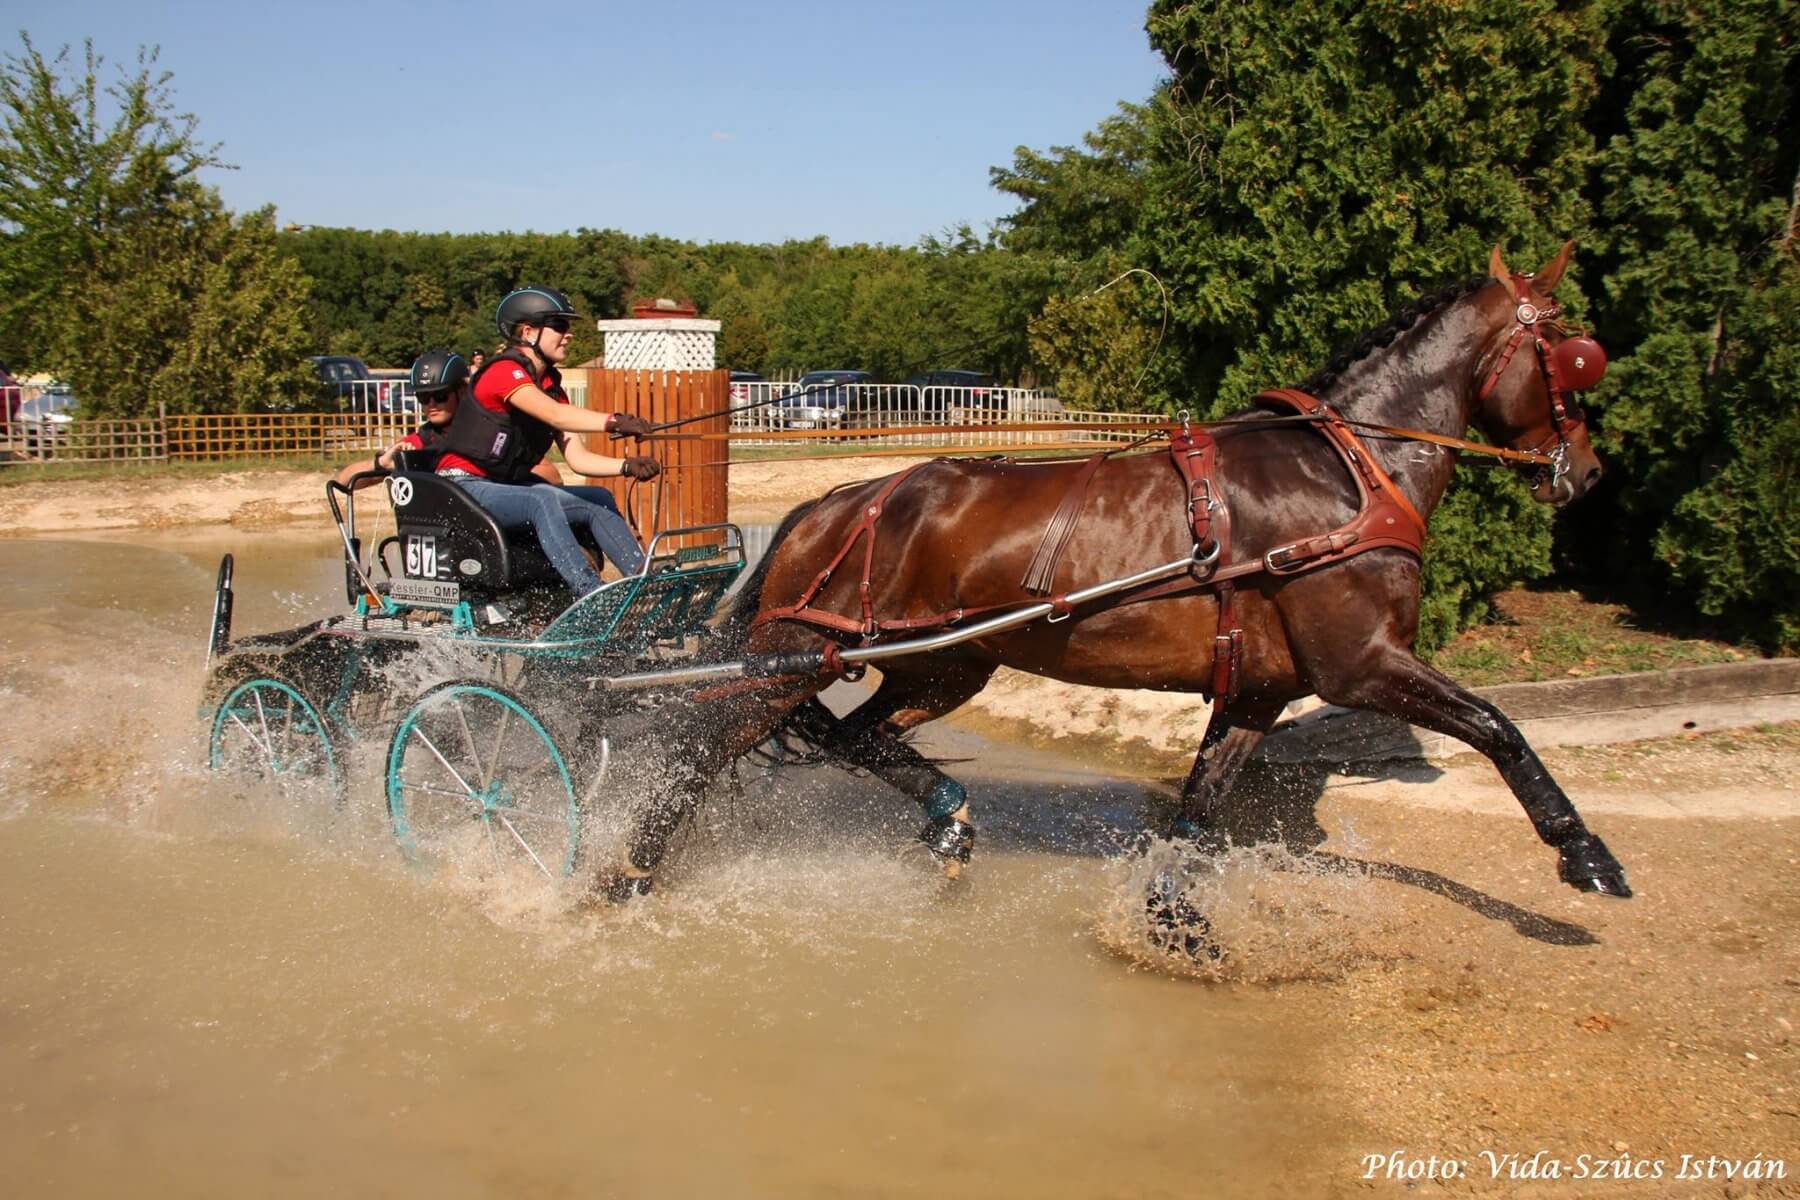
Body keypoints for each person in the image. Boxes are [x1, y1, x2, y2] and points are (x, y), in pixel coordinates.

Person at [434, 285, 659, 594]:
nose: (568, 334)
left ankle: (645, 583)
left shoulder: (552, 386)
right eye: (559, 326)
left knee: (599, 500)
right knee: (542, 499)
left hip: (504, 488)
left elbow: (577, 459)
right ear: (528, 332)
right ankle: (590, 592)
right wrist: (613, 421)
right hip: (463, 488)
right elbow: (554, 415)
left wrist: (626, 466)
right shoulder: (503, 372)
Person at [331, 350, 562, 490]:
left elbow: (552, 476)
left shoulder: (488, 429)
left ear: (462, 392)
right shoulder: (421, 440)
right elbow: (342, 481)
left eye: (440, 396)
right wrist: (382, 465)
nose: (431, 404)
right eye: (423, 397)